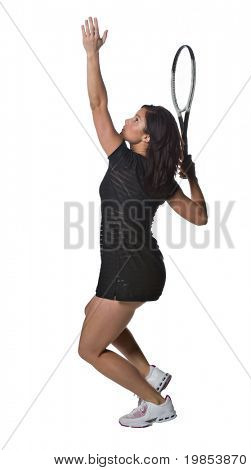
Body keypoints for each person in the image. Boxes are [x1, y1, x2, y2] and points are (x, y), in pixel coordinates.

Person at [78, 17, 208, 428]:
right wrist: (194, 178)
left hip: (129, 270)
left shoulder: (123, 160)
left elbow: (98, 105)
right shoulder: (160, 178)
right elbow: (200, 217)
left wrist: (92, 55)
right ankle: (148, 372)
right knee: (91, 311)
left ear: (145, 138)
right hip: (137, 268)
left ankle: (156, 402)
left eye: (136, 119)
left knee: (89, 350)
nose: (127, 121)